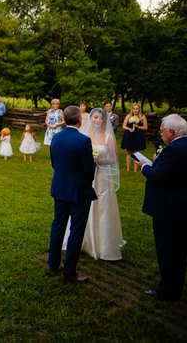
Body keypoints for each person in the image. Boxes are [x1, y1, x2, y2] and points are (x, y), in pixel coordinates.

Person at [135, 114, 187, 302]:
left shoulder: (173, 150)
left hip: (167, 210)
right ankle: (176, 287)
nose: (161, 133)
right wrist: (159, 161)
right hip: (185, 207)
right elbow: (176, 173)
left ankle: (166, 291)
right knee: (180, 251)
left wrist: (144, 166)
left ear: (171, 132)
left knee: (167, 251)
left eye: (162, 130)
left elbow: (157, 176)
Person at [47, 105, 97, 283]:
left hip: (60, 188)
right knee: (76, 229)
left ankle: (53, 265)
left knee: (58, 225)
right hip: (78, 191)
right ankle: (69, 273)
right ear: (79, 120)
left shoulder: (56, 137)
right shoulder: (84, 141)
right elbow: (89, 170)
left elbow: (54, 163)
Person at [74, 108, 124, 261]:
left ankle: (103, 244)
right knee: (83, 206)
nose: (96, 120)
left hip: (102, 177)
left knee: (102, 207)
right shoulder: (84, 135)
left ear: (104, 120)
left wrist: (99, 161)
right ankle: (83, 241)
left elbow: (114, 159)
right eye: (94, 117)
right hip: (86, 177)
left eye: (99, 118)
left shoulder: (108, 137)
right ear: (90, 119)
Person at [121, 103, 149, 172]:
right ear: (132, 109)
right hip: (129, 135)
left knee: (136, 152)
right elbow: (124, 126)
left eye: (137, 109)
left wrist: (138, 126)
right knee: (129, 152)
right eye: (134, 109)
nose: (135, 110)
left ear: (139, 109)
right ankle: (128, 169)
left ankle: (135, 170)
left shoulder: (142, 117)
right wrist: (128, 129)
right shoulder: (128, 116)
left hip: (138, 135)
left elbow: (145, 127)